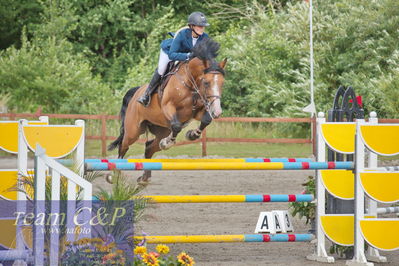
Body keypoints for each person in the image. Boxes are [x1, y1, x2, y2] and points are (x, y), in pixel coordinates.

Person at [137, 11, 210, 107]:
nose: (202, 29)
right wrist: (187, 56)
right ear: (192, 26)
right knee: (161, 69)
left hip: (187, 57)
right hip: (170, 52)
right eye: (199, 26)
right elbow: (172, 55)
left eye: (203, 26)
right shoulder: (182, 34)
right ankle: (146, 94)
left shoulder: (205, 37)